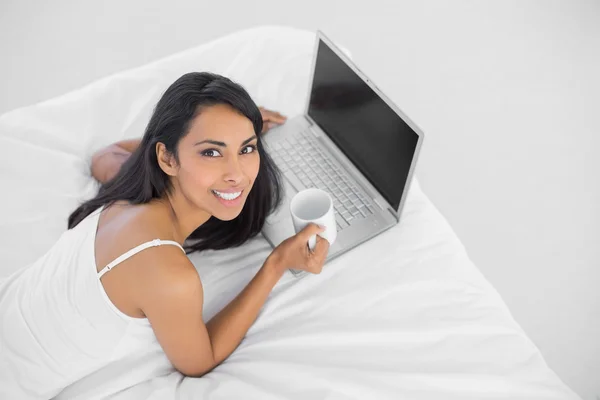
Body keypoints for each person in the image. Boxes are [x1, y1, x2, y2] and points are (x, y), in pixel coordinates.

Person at [0, 72, 330, 399]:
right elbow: (201, 361)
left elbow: (106, 154)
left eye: (247, 149)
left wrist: (217, 131)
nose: (236, 174)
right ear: (166, 158)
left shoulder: (127, 191)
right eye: (211, 153)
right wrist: (277, 262)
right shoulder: (168, 274)